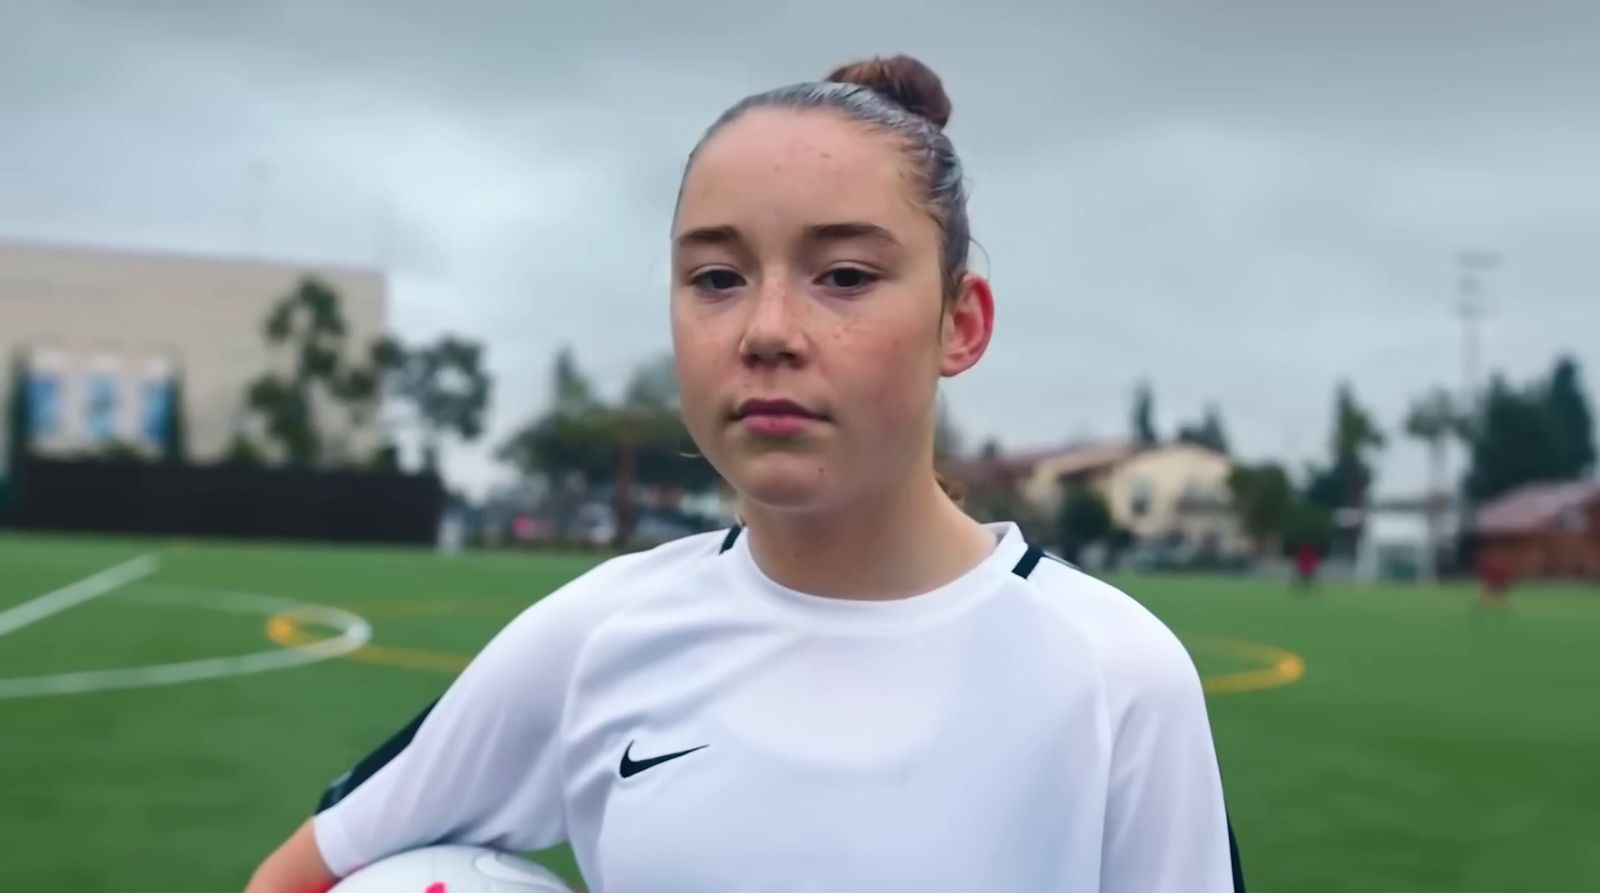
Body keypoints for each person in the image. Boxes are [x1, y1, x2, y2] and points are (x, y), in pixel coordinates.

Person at [245, 54, 1245, 893]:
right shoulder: (598, 634)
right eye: (716, 278)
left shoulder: (1115, 675)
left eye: (844, 275)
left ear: (961, 322)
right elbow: (300, 872)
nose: (767, 331)